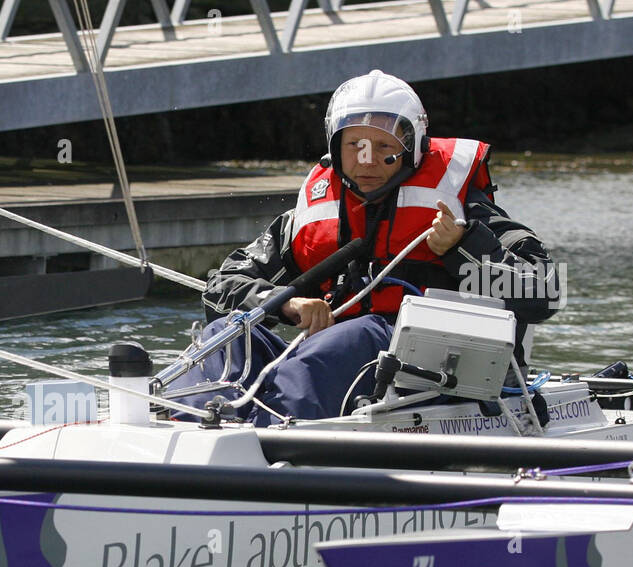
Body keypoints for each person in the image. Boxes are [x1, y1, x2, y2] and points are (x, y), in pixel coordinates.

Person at [174, 70, 561, 423]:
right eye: (355, 144)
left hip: (433, 384)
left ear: (412, 147)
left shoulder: (463, 210)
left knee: (356, 335)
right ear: (335, 146)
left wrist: (464, 246)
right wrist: (284, 303)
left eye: (383, 146)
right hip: (336, 374)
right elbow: (220, 289)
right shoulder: (312, 217)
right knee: (229, 331)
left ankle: (264, 436)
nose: (368, 160)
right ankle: (188, 422)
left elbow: (545, 291)